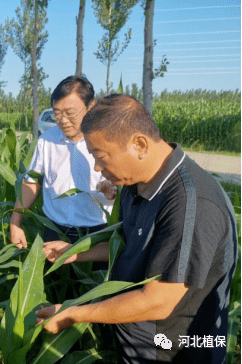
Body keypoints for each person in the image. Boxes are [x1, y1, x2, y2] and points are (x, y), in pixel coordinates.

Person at [36, 94, 238, 364]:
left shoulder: (192, 203)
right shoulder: (136, 183)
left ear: (139, 145)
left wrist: (74, 312)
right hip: (137, 341)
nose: (97, 167)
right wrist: (75, 252)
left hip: (173, 352)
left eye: (100, 156)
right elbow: (134, 245)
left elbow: (160, 300)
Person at [9, 75, 117, 250]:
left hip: (96, 234)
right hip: (54, 230)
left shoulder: (108, 141)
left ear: (90, 106)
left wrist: (113, 192)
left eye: (70, 113)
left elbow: (126, 190)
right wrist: (15, 222)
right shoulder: (46, 140)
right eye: (57, 114)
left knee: (94, 277)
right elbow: (32, 181)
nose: (63, 121)